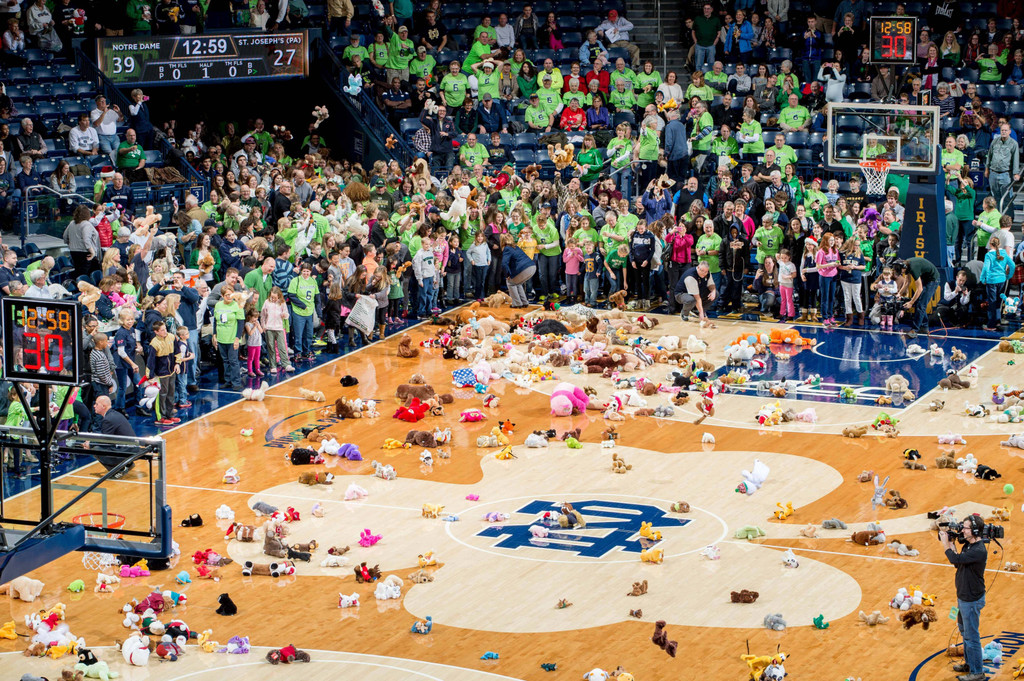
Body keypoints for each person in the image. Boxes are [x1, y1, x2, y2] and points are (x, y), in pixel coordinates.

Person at [939, 513, 988, 681]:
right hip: (963, 596)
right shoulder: (968, 546)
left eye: (965, 528)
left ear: (975, 531)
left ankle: (977, 672)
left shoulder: (978, 550)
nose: (962, 530)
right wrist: (952, 543)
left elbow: (953, 558)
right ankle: (970, 664)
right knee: (964, 632)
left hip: (971, 600)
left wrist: (945, 544)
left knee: (971, 637)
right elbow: (957, 562)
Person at [91, 395, 138, 478]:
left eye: (97, 404)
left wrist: (90, 444)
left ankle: (118, 470)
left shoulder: (108, 419)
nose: (94, 406)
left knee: (96, 449)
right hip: (132, 448)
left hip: (128, 450)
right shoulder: (114, 414)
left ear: (103, 406)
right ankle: (128, 464)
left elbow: (105, 442)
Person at [898, 256, 940, 337]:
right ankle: (924, 327)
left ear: (904, 268)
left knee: (921, 305)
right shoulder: (906, 266)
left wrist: (911, 302)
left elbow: (919, 289)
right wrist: (899, 293)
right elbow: (907, 282)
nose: (901, 273)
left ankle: (915, 330)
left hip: (933, 279)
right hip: (925, 278)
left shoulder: (913, 268)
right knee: (919, 303)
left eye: (901, 271)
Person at [674, 260, 717, 326]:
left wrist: (713, 292)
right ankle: (684, 313)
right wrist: (701, 313)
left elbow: (711, 285)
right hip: (681, 294)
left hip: (697, 292)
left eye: (706, 271)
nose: (704, 273)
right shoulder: (691, 276)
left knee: (715, 294)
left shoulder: (707, 273)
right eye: (702, 271)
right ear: (698, 267)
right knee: (691, 300)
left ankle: (697, 311)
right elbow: (697, 297)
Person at [500, 233, 536, 308]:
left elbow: (504, 264)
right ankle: (524, 302)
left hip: (524, 268)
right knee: (517, 283)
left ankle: (517, 303)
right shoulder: (516, 247)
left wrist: (507, 275)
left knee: (510, 283)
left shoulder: (507, 248)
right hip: (532, 266)